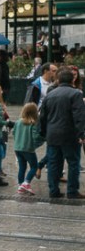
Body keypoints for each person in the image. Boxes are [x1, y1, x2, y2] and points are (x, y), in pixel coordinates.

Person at [39, 68, 85, 199]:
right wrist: (81, 134)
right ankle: (72, 191)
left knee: (54, 164)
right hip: (70, 135)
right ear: (72, 80)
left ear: (58, 80)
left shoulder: (50, 95)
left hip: (52, 135)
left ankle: (53, 190)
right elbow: (79, 116)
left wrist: (43, 132)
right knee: (73, 163)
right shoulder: (76, 94)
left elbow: (43, 116)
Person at [13, 102, 44, 195]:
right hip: (28, 149)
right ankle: (26, 183)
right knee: (34, 166)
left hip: (17, 148)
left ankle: (20, 186)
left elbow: (14, 133)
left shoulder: (18, 122)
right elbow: (36, 137)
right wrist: (43, 138)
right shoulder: (33, 123)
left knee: (22, 167)